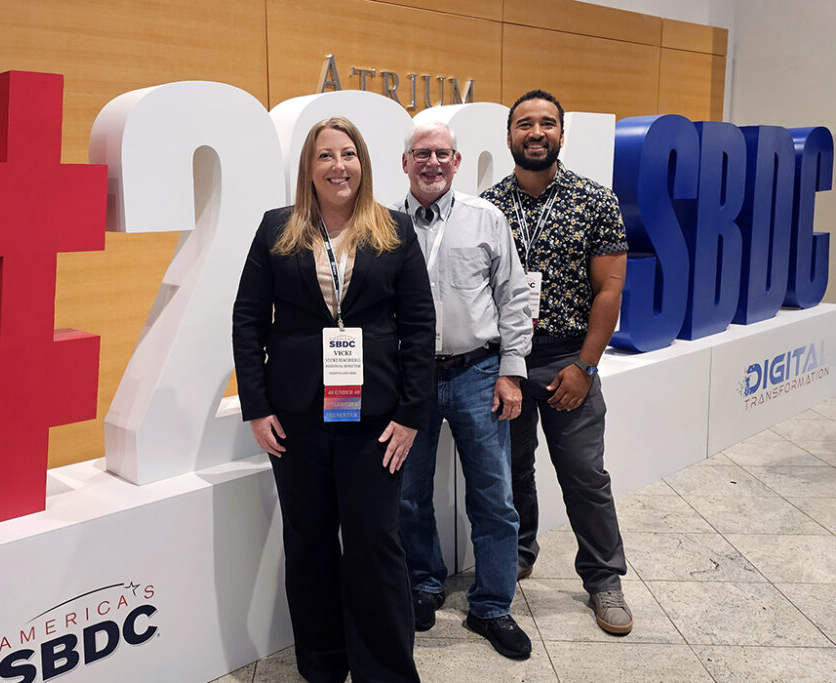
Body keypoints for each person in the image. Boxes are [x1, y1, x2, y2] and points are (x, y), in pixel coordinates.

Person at [232, 116, 434, 682]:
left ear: (363, 163)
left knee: (375, 546)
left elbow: (420, 326)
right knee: (309, 543)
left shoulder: (392, 228)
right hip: (296, 418)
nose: (338, 165)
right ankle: (322, 665)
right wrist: (257, 405)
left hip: (374, 420)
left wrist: (411, 414)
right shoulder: (278, 228)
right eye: (325, 156)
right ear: (309, 168)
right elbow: (248, 319)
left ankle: (386, 671)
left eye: (348, 154)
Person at [480, 89, 633, 635]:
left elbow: (610, 289)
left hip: (570, 356)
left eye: (547, 123)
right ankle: (519, 552)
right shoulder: (488, 204)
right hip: (507, 361)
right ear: (510, 136)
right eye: (525, 124)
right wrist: (503, 365)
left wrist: (586, 365)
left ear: (562, 135)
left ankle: (604, 579)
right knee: (511, 470)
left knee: (585, 475)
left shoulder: (594, 200)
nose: (536, 132)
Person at [395, 122, 534, 659]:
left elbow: (515, 297)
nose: (432, 162)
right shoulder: (383, 226)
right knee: (408, 492)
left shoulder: (486, 218)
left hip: (479, 372)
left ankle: (493, 606)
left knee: (494, 495)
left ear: (456, 162)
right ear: (404, 162)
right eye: (421, 154)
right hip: (411, 379)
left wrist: (511, 370)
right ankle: (425, 585)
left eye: (442, 154)